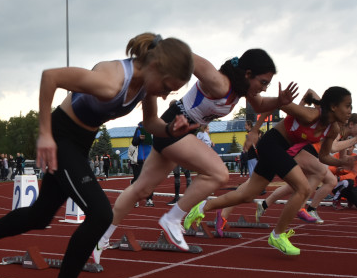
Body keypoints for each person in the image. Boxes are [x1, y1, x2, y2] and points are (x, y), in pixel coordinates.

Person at [0, 33, 195, 278]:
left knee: (41, 215)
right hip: (61, 136)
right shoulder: (111, 80)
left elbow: (150, 124)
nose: (164, 95)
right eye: (166, 87)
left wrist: (173, 130)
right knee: (100, 213)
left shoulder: (147, 86)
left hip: (80, 142)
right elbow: (50, 77)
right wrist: (45, 135)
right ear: (157, 66)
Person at [96, 49, 296, 255]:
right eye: (263, 83)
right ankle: (172, 219)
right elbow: (186, 56)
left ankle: (99, 240)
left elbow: (262, 105)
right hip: (174, 125)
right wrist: (155, 54)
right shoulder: (219, 82)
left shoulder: (242, 92)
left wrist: (280, 102)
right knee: (218, 173)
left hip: (181, 130)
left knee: (142, 189)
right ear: (247, 74)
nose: (263, 89)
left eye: (267, 85)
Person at [184, 86, 357, 256]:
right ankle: (277, 235)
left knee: (248, 195)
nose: (350, 111)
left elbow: (324, 157)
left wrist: (342, 161)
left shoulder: (332, 129)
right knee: (303, 188)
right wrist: (253, 131)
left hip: (281, 150)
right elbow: (274, 104)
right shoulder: (310, 115)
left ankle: (201, 208)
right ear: (334, 106)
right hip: (271, 143)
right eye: (347, 106)